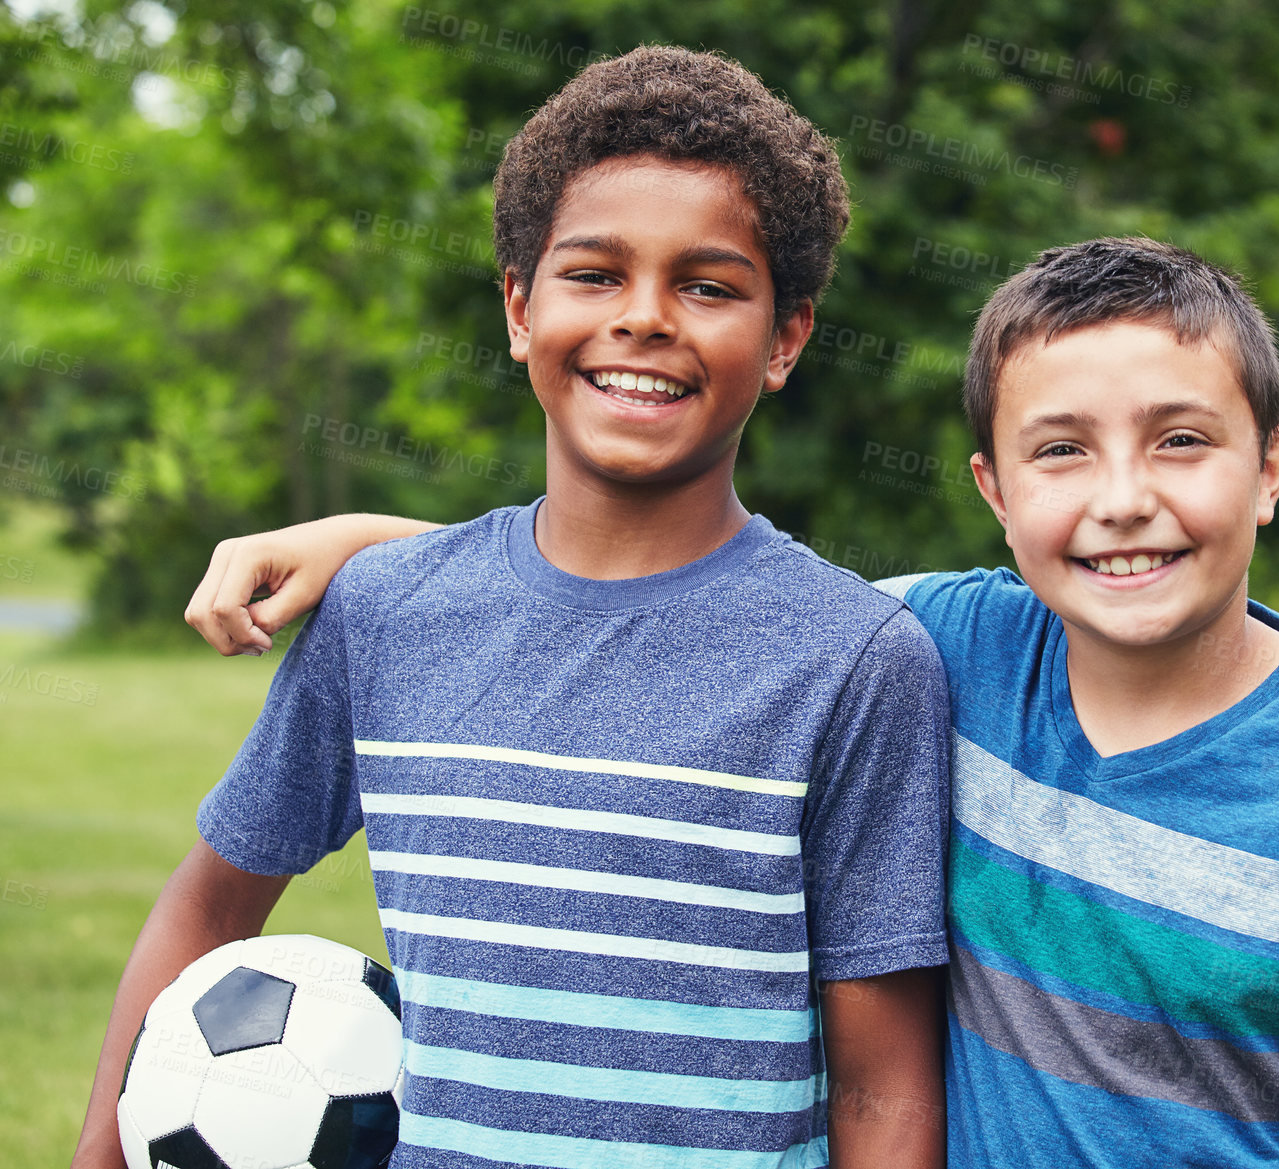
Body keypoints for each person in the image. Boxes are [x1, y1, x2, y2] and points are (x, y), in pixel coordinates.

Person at [185, 236, 1279, 1167]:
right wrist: (378, 542)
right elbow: (682, 601)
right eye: (1061, 453)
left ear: (1270, 468)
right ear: (994, 494)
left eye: (1182, 442)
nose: (1125, 498)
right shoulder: (943, 649)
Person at [72, 47, 953, 1169]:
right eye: (593, 274)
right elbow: (205, 910)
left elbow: (883, 1082)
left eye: (708, 284)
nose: (644, 318)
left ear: (784, 339)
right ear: (518, 308)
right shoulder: (383, 614)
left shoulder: (856, 661)